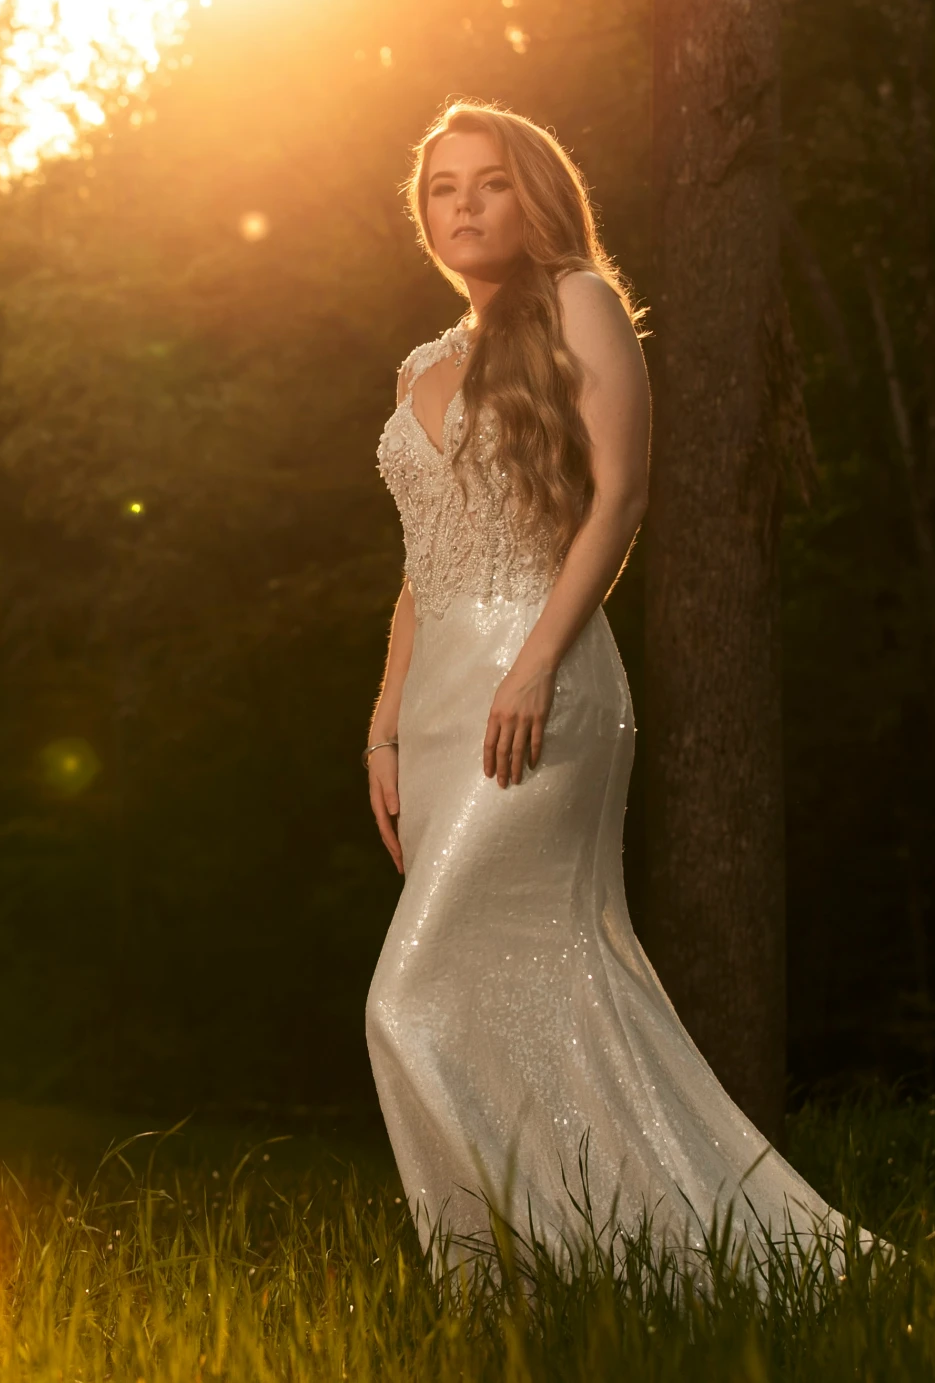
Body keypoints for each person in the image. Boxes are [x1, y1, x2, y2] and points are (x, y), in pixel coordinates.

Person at [362, 99, 855, 1271]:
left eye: (489, 182)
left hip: (542, 686)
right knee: (506, 990)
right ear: (424, 214)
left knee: (407, 995)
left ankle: (523, 1266)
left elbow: (620, 498)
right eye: (443, 187)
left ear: (532, 196)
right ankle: (580, 1263)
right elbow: (418, 568)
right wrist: (383, 723)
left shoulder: (579, 302)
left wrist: (533, 661)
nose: (465, 204)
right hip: (432, 709)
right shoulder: (424, 363)